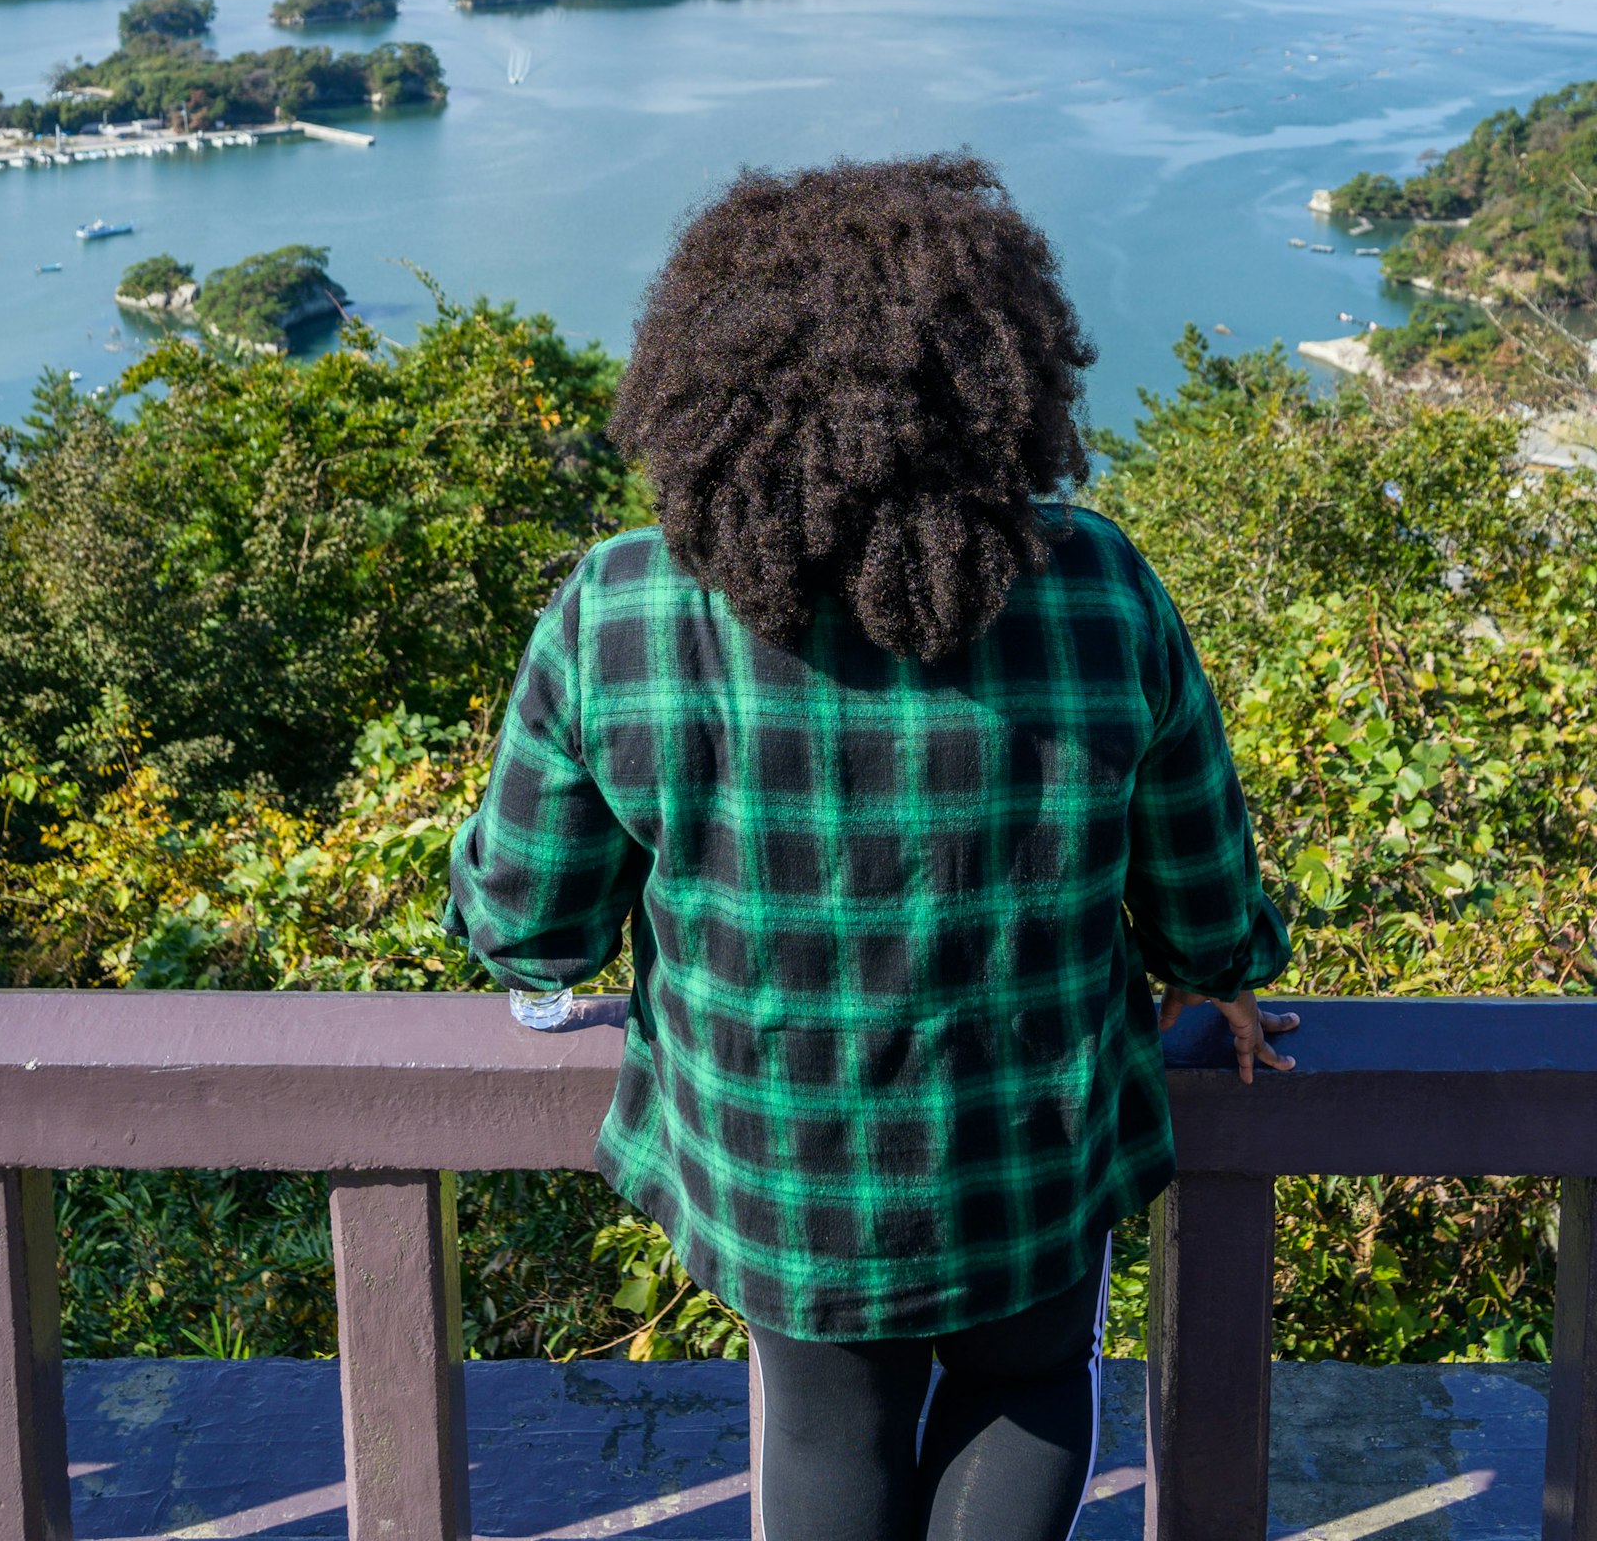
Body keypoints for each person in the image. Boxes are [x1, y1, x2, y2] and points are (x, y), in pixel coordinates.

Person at [446, 154, 1296, 1541]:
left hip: (783, 1156)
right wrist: (1224, 972)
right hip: (1031, 1139)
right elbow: (1200, 881)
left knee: (826, 1426)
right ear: (1001, 377)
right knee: (1028, 1386)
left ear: (706, 374)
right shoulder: (1093, 587)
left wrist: (522, 941)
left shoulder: (625, 606)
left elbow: (533, 921)